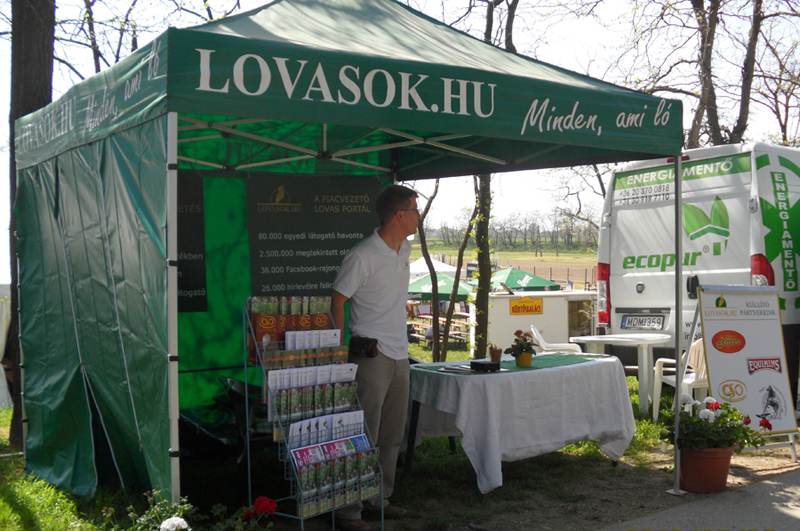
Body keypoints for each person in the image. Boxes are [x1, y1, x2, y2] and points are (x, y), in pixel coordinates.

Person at [330, 185, 419, 531]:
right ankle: (348, 512)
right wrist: (337, 350)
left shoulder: (404, 249)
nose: (419, 216)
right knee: (361, 432)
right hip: (371, 355)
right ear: (400, 215)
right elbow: (338, 299)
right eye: (415, 210)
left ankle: (378, 499)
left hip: (400, 354)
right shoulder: (362, 255)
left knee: (392, 434)